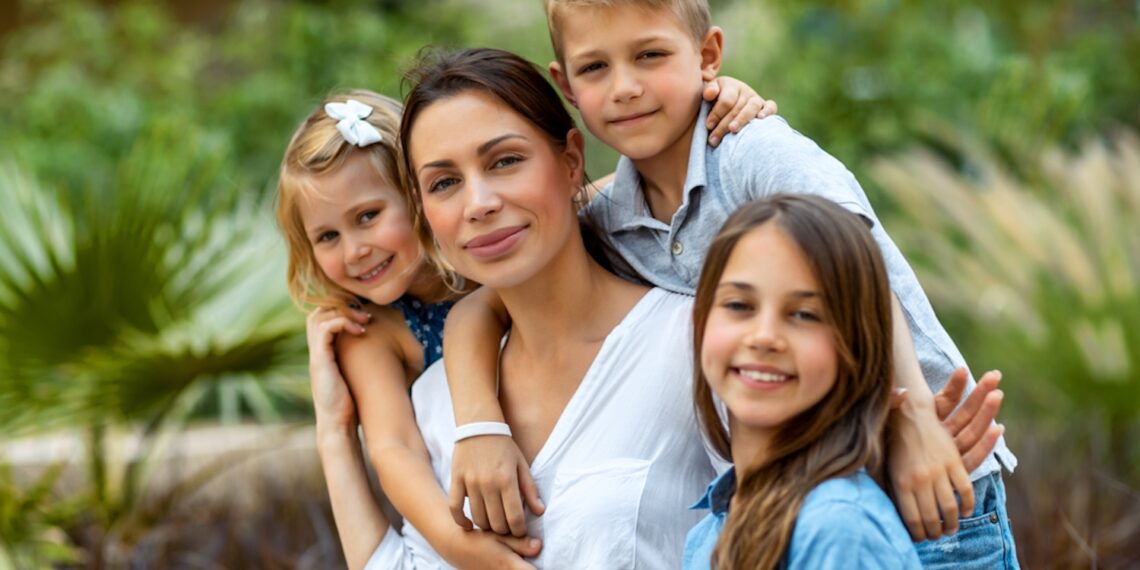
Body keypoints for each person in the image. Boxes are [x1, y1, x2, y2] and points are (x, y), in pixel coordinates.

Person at [441, 2, 1019, 566]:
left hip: (932, 477)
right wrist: (479, 424)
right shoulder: (610, 218)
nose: (625, 87)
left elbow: (861, 265)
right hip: (793, 494)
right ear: (566, 85)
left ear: (709, 54)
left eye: (650, 55)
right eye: (596, 67)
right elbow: (483, 305)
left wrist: (914, 417)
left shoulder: (754, 154)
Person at [276, 83, 773, 567]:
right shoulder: (383, 340)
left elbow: (637, 185)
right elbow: (393, 449)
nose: (355, 249)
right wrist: (457, 544)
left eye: (368, 216)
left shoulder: (680, 339)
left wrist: (715, 101)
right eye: (326, 236)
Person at [684, 194, 923, 568]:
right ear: (699, 324)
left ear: (857, 346)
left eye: (805, 314)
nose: (764, 336)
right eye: (739, 306)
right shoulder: (709, 531)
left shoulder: (838, 527)